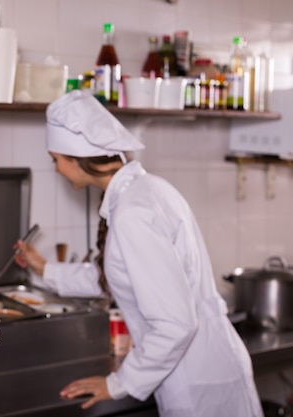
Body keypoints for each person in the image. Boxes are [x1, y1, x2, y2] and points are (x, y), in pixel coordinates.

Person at [14, 89, 263, 416]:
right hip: (205, 368)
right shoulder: (143, 192)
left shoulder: (133, 211)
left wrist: (116, 384)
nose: (56, 169)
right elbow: (120, 276)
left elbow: (176, 324)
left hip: (199, 382)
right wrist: (45, 268)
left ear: (76, 157)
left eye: (55, 159)